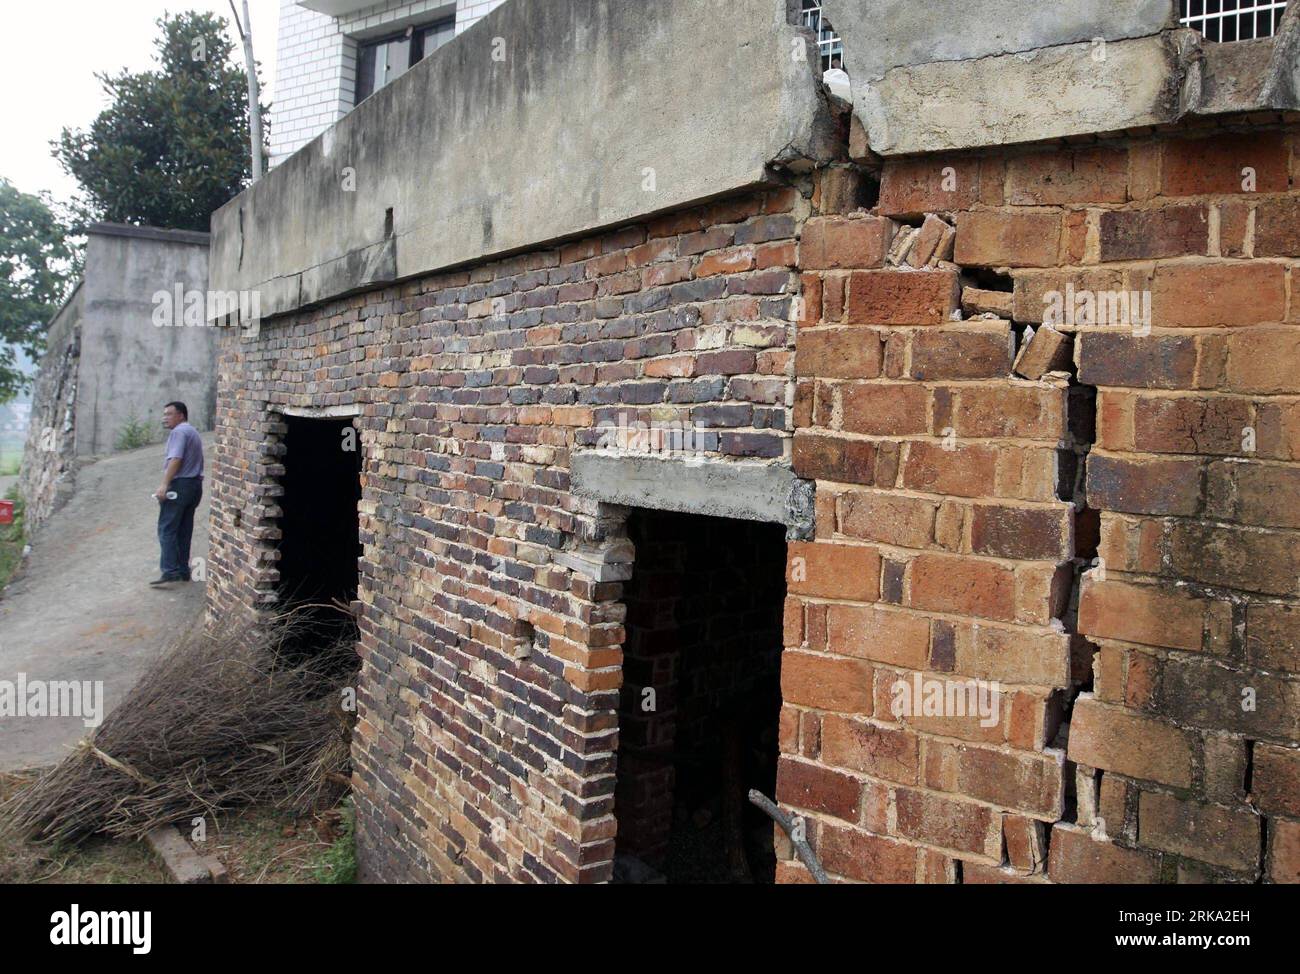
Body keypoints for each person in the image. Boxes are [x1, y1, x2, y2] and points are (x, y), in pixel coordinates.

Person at [151, 401, 204, 588]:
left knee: (167, 529)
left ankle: (170, 571)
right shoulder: (192, 431)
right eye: (164, 414)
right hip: (194, 486)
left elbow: (176, 458)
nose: (165, 418)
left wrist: (164, 484)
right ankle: (183, 570)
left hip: (180, 486)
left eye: (169, 414)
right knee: (184, 529)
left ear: (181, 415)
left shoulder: (179, 432)